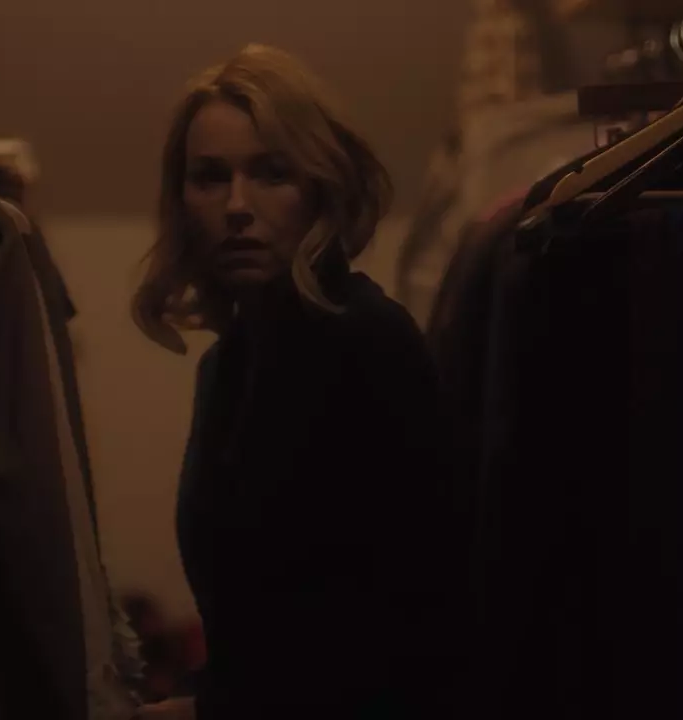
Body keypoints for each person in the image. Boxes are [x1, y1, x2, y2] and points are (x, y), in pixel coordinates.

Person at [131, 44, 472, 719]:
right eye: (210, 177)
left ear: (320, 187)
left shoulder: (365, 340)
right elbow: (254, 625)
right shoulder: (229, 364)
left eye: (271, 173)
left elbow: (410, 624)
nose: (237, 205)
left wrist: (208, 708)